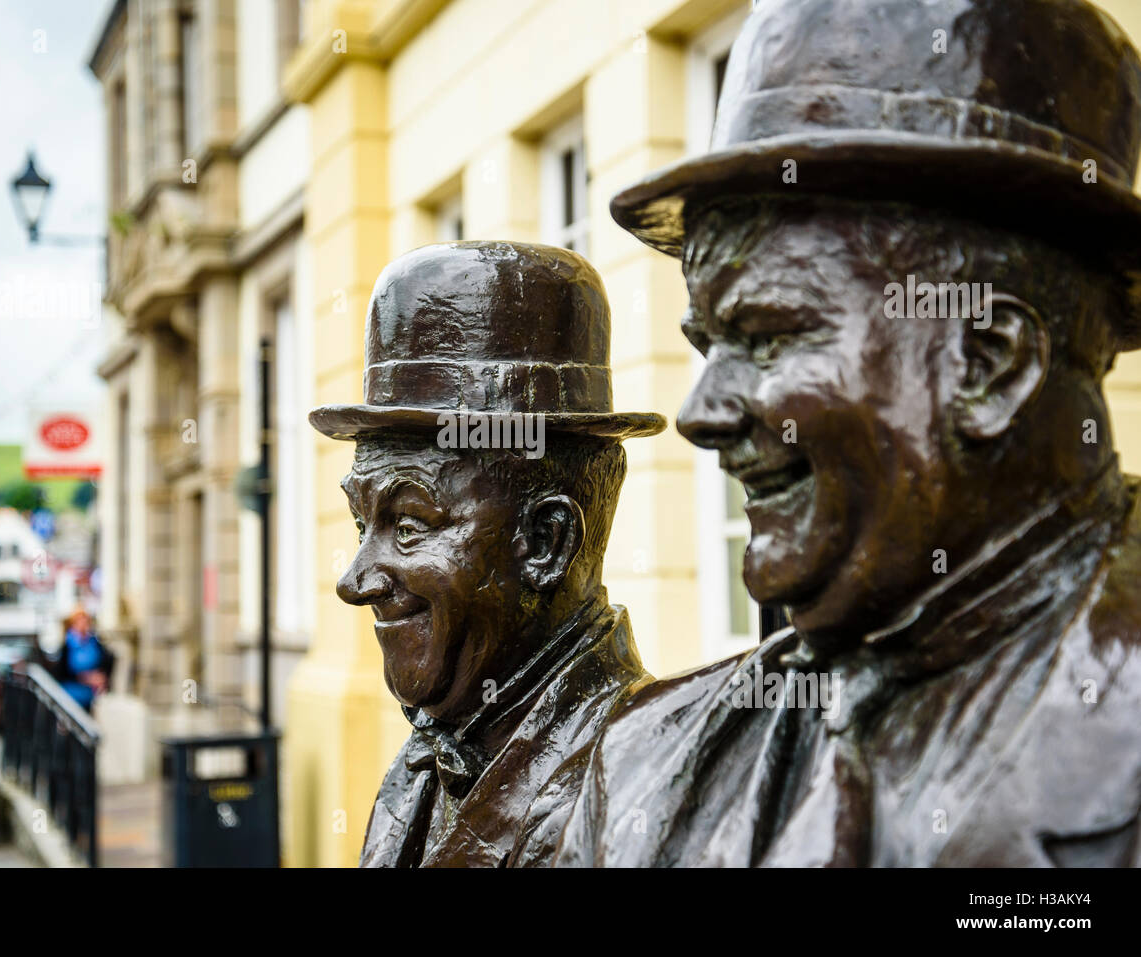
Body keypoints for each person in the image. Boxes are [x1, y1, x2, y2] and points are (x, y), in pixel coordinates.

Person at [533, 0, 1141, 867]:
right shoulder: (641, 766)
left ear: (989, 361)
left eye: (771, 335)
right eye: (709, 345)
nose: (702, 415)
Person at [309, 240, 665, 866]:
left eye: (411, 527)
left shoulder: (639, 798)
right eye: (361, 523)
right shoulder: (435, 749)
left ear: (547, 543)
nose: (355, 580)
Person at [52, 608, 112, 712]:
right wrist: (85, 678)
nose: (83, 624)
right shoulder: (67, 646)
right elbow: (61, 672)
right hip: (71, 694)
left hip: (91, 695)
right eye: (79, 621)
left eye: (85, 621)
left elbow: (106, 662)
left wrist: (102, 678)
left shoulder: (95, 643)